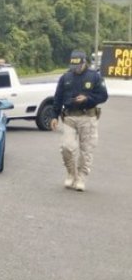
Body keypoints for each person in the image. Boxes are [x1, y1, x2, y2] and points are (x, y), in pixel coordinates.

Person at [49, 50, 109, 192]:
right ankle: (71, 173)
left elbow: (103, 96)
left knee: (86, 150)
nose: (75, 68)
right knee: (66, 147)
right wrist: (54, 116)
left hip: (88, 117)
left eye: (78, 65)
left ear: (84, 62)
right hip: (70, 117)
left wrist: (88, 99)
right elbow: (57, 98)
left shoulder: (95, 76)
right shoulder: (65, 77)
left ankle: (81, 177)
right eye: (73, 65)